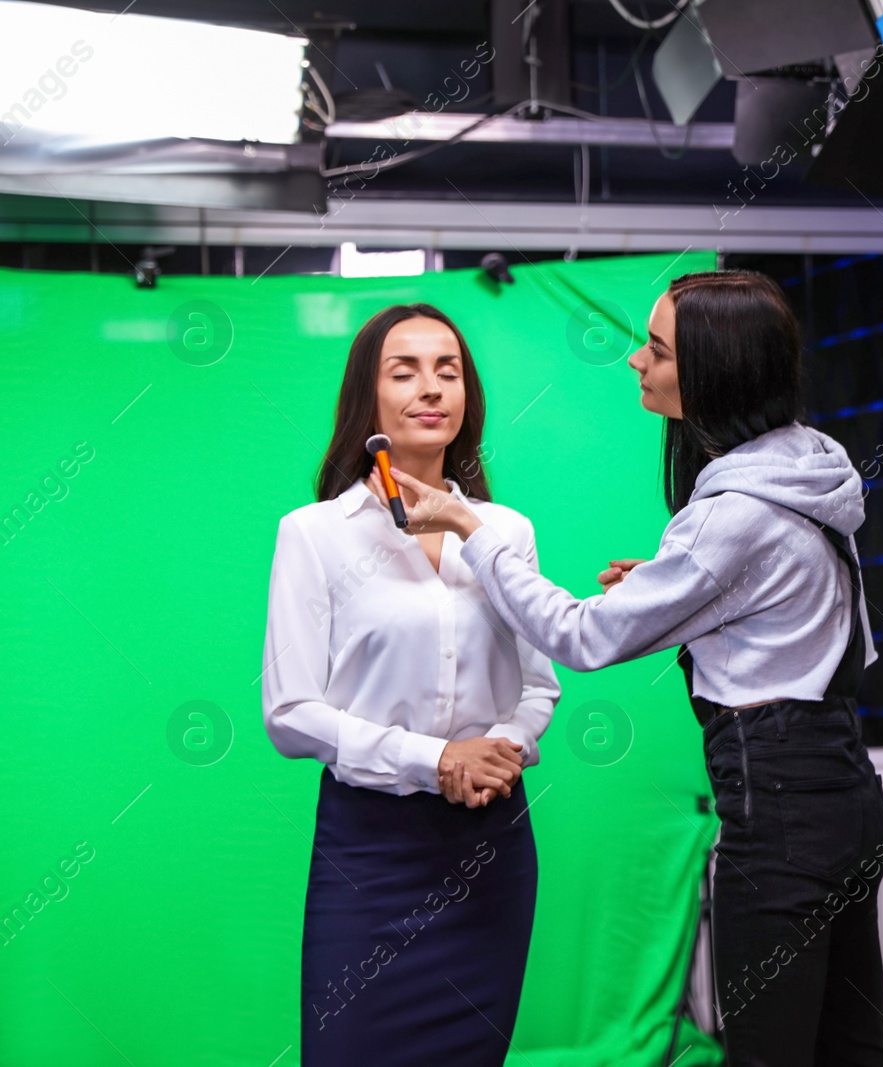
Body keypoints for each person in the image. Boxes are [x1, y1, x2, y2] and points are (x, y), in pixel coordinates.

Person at [370, 269, 883, 1066]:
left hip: (782, 816)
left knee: (769, 1052)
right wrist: (674, 585)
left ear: (715, 371)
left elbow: (580, 639)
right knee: (849, 1050)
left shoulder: (731, 516)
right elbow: (795, 614)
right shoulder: (809, 471)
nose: (635, 363)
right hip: (848, 799)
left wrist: (470, 527)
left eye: (656, 349)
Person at [261, 303, 560, 1066]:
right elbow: (290, 712)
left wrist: (501, 748)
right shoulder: (315, 532)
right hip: (371, 855)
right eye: (406, 371)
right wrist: (436, 759)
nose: (432, 388)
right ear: (370, 396)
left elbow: (539, 683)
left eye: (448, 370)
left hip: (490, 846)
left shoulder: (506, 531)